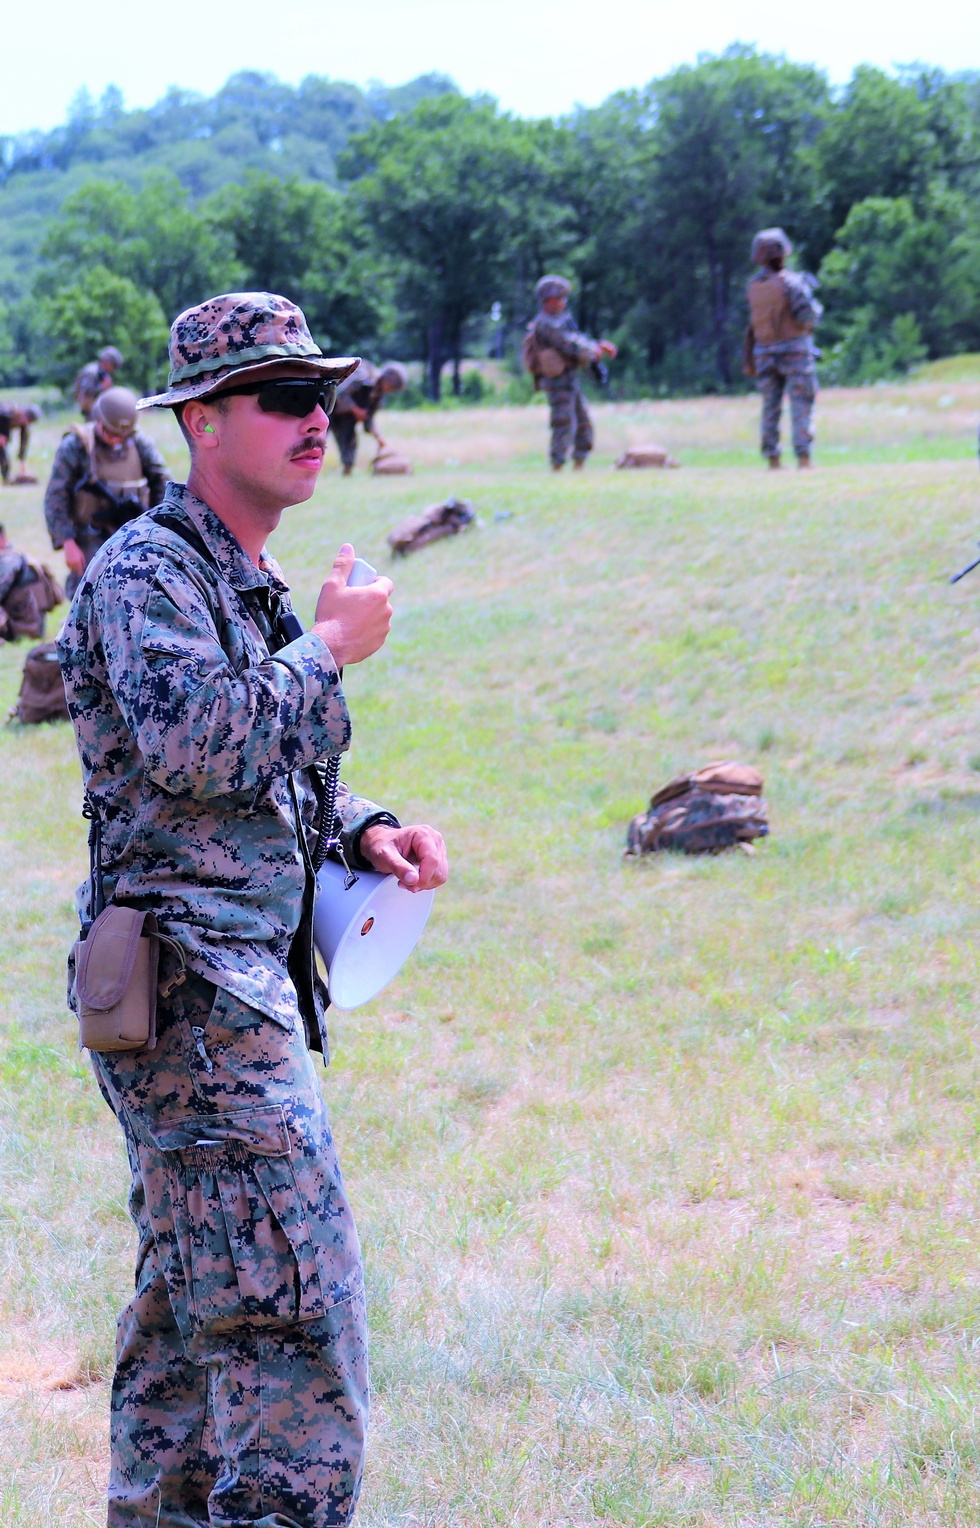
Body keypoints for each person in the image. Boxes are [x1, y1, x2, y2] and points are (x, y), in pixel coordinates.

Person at [56, 290, 449, 1528]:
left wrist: (360, 827)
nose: (317, 419)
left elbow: (261, 774)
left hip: (228, 992)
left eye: (322, 396)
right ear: (203, 420)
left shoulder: (237, 574)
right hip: (196, 1007)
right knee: (290, 1321)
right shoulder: (142, 572)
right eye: (284, 398)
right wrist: (329, 651)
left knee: (190, 1309)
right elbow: (193, 744)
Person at [44, 384, 169, 596]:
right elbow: (56, 496)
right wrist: (67, 541)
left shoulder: (139, 444)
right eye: (109, 433)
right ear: (98, 420)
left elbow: (163, 482)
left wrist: (159, 527)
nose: (115, 439)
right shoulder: (76, 445)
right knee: (88, 595)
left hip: (134, 533)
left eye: (121, 435)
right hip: (90, 535)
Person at [744, 228, 822, 470]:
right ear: (782, 254)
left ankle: (773, 459)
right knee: (801, 404)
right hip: (794, 352)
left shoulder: (754, 286)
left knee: (770, 407)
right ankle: (804, 457)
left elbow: (754, 323)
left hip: (764, 353)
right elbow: (807, 316)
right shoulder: (791, 283)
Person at [526, 275, 617, 471]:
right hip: (557, 382)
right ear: (550, 300)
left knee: (583, 423)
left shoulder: (560, 321)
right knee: (563, 423)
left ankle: (579, 465)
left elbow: (576, 339)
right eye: (561, 298)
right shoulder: (546, 324)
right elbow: (568, 345)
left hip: (569, 379)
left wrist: (596, 347)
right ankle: (557, 466)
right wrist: (595, 350)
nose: (564, 303)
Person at [328, 360, 408, 474]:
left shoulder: (378, 396)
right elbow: (339, 393)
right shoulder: (363, 378)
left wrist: (377, 437)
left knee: (350, 442)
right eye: (392, 386)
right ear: (385, 379)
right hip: (328, 410)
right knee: (317, 441)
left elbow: (368, 419)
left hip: (346, 418)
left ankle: (347, 473)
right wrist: (355, 409)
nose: (391, 390)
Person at [0, 522, 62, 640]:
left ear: (2, 538)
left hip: (21, 628)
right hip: (29, 626)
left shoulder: (8, 562)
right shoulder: (16, 558)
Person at [73, 345, 124, 418]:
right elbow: (85, 393)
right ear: (106, 362)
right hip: (90, 410)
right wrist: (102, 387)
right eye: (114, 365)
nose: (114, 369)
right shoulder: (91, 372)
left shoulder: (103, 374)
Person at [0, 401, 41, 484]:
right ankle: (6, 478)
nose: (26, 423)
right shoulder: (6, 413)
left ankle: (6, 479)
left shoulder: (23, 423)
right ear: (22, 413)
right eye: (27, 420)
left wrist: (22, 464)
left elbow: (24, 442)